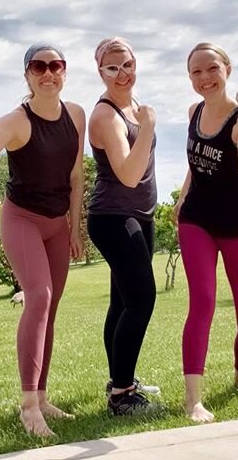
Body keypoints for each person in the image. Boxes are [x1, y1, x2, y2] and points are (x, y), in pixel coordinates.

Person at [0, 43, 86, 437]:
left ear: (64, 71)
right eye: (38, 66)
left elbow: (76, 175)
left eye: (55, 65)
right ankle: (29, 406)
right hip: (22, 220)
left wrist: (76, 226)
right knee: (40, 297)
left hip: (57, 225)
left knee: (51, 307)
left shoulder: (76, 115)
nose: (48, 73)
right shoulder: (17, 121)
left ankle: (43, 396)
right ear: (27, 75)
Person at [173, 42, 238, 423]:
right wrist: (183, 199)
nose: (204, 78)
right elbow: (194, 163)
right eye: (196, 72)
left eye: (211, 68)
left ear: (227, 69)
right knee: (202, 303)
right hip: (197, 221)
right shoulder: (193, 112)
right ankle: (193, 400)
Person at [87, 36, 160, 416]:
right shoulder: (105, 116)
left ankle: (121, 378)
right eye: (112, 68)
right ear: (100, 72)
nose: (122, 74)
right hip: (114, 218)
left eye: (127, 64)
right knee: (142, 299)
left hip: (140, 217)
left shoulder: (131, 107)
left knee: (121, 303)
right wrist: (147, 127)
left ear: (136, 63)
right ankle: (122, 395)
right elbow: (130, 175)